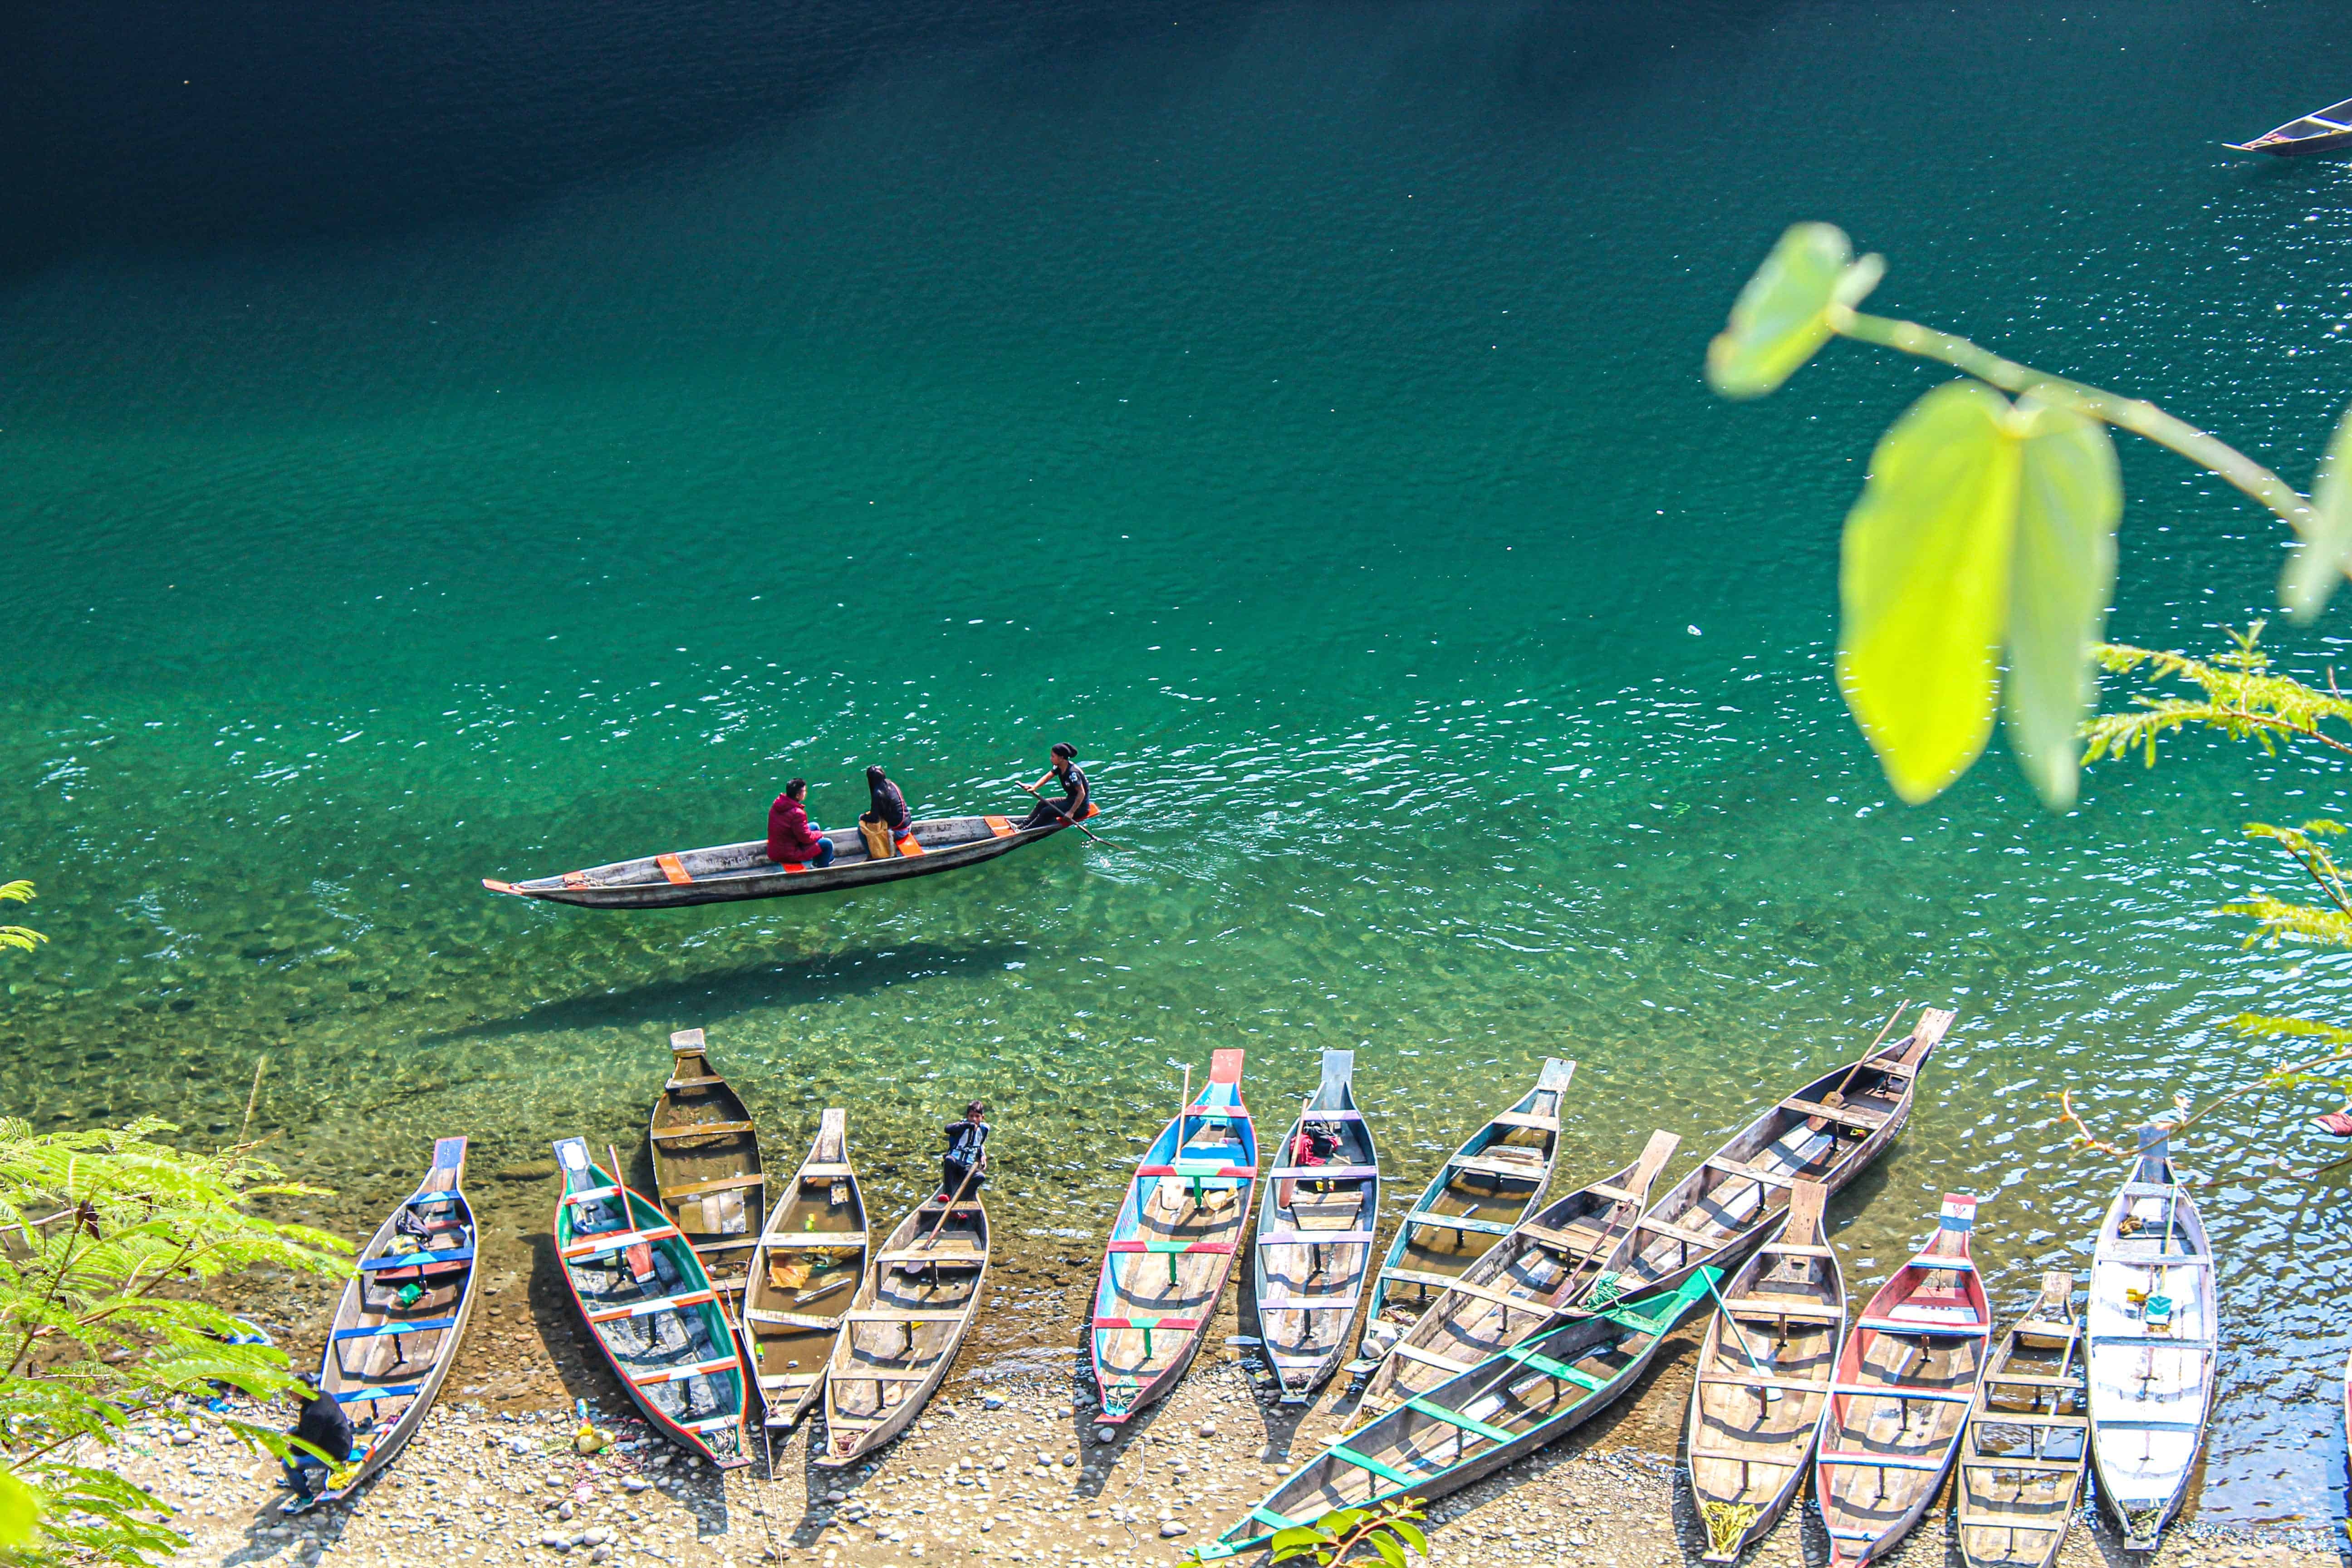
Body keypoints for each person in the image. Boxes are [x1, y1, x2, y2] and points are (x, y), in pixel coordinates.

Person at [281, 1374, 354, 1496]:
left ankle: (305, 1499)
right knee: (292, 1430)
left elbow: (305, 1448)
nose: (290, 1394)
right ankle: (299, 1478)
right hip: (341, 1440)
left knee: (287, 1464)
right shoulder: (324, 1396)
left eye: (292, 1391)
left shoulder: (314, 1414)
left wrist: (287, 1452)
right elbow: (306, 1430)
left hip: (336, 1455)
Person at [1018, 742, 1092, 830]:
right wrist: (1035, 787)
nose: (1051, 759)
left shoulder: (1073, 773)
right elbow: (1048, 776)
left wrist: (1071, 812)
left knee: (1046, 811)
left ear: (1061, 758)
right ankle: (1023, 825)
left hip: (1079, 808)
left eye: (1053, 756)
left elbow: (1082, 793)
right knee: (1042, 803)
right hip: (1070, 800)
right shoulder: (1059, 766)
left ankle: (1026, 830)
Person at [765, 779, 835, 867]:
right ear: (798, 796)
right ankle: (820, 868)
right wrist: (819, 834)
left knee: (814, 826)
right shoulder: (797, 813)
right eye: (804, 791)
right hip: (788, 855)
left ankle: (823, 859)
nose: (805, 793)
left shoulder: (777, 806)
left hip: (775, 850)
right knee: (827, 844)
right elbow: (806, 838)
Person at [939, 1101, 989, 1202]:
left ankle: (961, 1199)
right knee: (949, 1160)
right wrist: (967, 1125)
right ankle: (948, 1194)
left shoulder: (984, 1129)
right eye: (971, 1116)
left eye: (977, 1116)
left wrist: (983, 1156)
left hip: (967, 1168)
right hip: (955, 1164)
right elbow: (947, 1129)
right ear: (967, 1116)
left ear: (982, 1118)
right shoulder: (961, 1127)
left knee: (981, 1177)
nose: (974, 1119)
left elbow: (980, 1145)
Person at [860, 765, 913, 858]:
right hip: (908, 825)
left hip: (900, 832)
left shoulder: (878, 794)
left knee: (861, 829)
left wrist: (862, 817)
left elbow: (874, 819)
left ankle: (872, 856)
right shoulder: (892, 785)